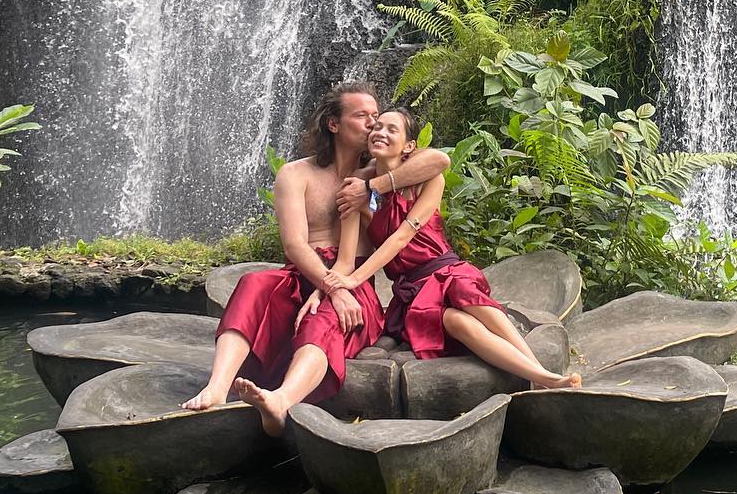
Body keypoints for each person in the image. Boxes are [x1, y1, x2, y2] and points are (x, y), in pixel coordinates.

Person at [182, 82, 450, 422]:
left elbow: (439, 160)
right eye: (362, 116)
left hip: (354, 281)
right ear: (333, 123)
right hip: (306, 273)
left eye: (376, 115)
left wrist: (372, 187)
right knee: (254, 283)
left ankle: (281, 401)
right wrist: (331, 287)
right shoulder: (295, 174)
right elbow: (294, 245)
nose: (373, 123)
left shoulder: (382, 170)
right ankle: (217, 388)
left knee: (326, 317)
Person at [317, 106, 581, 395]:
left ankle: (541, 374)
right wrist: (327, 287)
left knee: (468, 297)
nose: (380, 132)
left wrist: (354, 279)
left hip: (445, 271)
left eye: (392, 129)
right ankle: (540, 377)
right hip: (412, 291)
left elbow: (402, 237)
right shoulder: (357, 189)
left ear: (409, 146)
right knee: (456, 322)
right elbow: (346, 256)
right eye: (377, 127)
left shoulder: (429, 180)